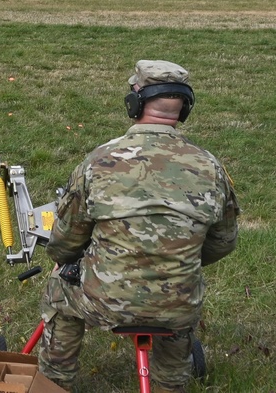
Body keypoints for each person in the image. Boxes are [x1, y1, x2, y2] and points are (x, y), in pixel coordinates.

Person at [37, 60, 239, 393]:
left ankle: (53, 383)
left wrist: (73, 258)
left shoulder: (98, 160)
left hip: (105, 301)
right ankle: (170, 383)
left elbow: (64, 243)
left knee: (58, 291)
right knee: (178, 313)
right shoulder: (211, 166)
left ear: (135, 101)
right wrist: (174, 261)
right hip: (178, 303)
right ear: (184, 108)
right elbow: (224, 241)